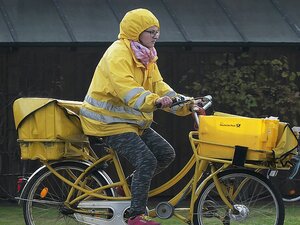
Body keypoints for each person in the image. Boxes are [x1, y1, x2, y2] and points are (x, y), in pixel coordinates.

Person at [80, 8, 202, 225]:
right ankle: (135, 216)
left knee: (165, 154)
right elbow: (125, 88)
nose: (156, 36)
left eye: (157, 32)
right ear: (136, 32)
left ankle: (125, 187)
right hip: (106, 122)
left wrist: (187, 104)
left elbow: (159, 87)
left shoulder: (146, 55)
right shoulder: (118, 54)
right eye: (151, 31)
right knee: (146, 159)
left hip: (130, 122)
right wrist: (152, 101)